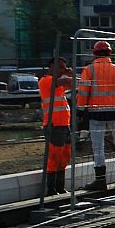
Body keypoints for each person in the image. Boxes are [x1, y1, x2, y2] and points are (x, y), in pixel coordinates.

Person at [77, 40, 115, 192]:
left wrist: (80, 111)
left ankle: (100, 181)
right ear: (109, 53)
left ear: (94, 53)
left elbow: (83, 92)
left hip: (96, 113)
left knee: (98, 147)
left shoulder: (89, 70)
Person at [39, 56, 72, 196]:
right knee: (54, 157)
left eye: (63, 68)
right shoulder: (46, 80)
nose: (62, 70)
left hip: (64, 125)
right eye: (60, 67)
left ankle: (60, 187)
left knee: (64, 156)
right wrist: (70, 76)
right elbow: (64, 81)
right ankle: (51, 189)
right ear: (51, 67)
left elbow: (69, 84)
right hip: (54, 125)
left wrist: (70, 75)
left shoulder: (59, 84)